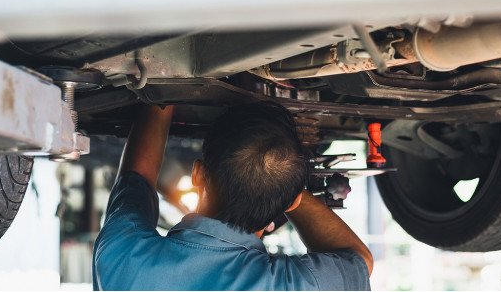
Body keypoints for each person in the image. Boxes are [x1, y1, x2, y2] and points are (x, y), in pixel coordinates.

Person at [92, 102, 372, 290]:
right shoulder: (122, 256)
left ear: (198, 174)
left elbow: (136, 179)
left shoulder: (121, 256)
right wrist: (281, 186)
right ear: (292, 202)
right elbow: (358, 262)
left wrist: (283, 185)